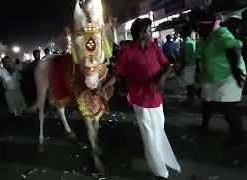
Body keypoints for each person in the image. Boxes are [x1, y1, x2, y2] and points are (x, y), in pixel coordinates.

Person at [102, 18, 180, 180]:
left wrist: (162, 79)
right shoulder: (127, 51)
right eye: (149, 30)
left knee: (159, 130)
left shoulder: (154, 47)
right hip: (140, 100)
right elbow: (117, 75)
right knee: (149, 134)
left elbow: (167, 66)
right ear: (142, 33)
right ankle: (159, 171)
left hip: (156, 97)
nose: (151, 33)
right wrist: (103, 87)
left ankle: (163, 159)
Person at [196, 12, 246, 146]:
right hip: (212, 76)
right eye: (198, 28)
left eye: (201, 27)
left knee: (228, 107)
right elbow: (201, 56)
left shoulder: (222, 34)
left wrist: (235, 69)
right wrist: (199, 75)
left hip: (229, 75)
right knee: (207, 103)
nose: (199, 31)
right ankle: (204, 127)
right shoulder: (204, 36)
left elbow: (232, 48)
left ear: (211, 25)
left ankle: (237, 137)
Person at [179, 24, 197, 104]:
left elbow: (185, 59)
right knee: (190, 84)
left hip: (188, 66)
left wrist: (180, 68)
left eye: (181, 31)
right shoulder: (191, 42)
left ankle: (191, 99)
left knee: (190, 85)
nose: (180, 33)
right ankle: (190, 99)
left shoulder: (186, 44)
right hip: (192, 65)